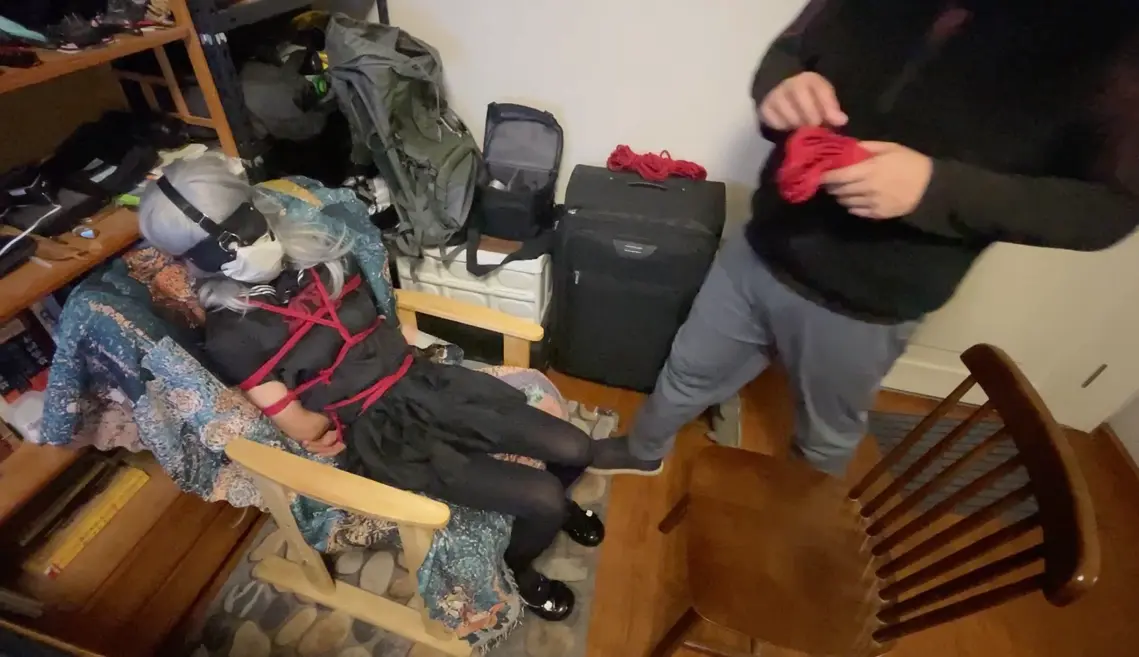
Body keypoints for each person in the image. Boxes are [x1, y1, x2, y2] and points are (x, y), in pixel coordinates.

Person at [590, 0, 1139, 477]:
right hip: (761, 248)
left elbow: (1110, 210)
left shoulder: (1112, 37)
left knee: (823, 438)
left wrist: (933, 188)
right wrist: (781, 86)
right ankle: (642, 452)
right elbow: (789, 51)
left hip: (866, 304)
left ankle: (793, 525)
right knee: (687, 370)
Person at [138, 155, 601, 621]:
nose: (242, 247)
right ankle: (519, 567)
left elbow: (384, 323)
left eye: (240, 226)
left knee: (576, 447)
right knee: (542, 497)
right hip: (380, 433)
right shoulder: (231, 336)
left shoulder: (322, 253)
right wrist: (331, 408)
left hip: (422, 380)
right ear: (194, 261)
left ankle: (555, 509)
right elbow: (303, 427)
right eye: (220, 246)